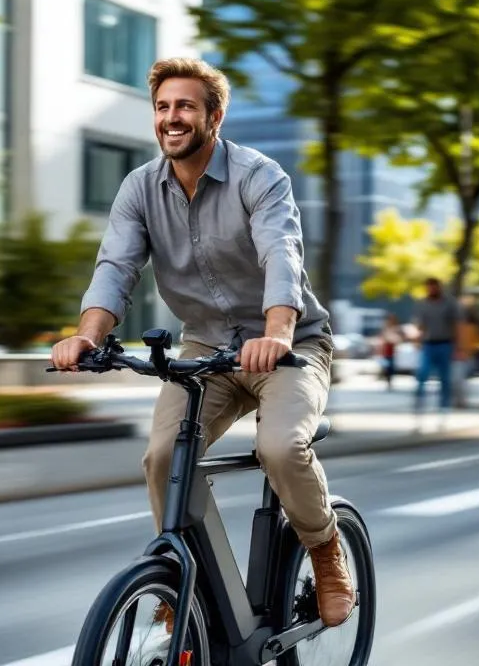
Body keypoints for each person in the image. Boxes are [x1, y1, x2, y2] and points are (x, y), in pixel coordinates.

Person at [50, 57, 353, 628]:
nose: (172, 117)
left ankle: (325, 549)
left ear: (214, 117)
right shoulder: (139, 188)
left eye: (185, 106)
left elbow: (281, 255)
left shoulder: (259, 176)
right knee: (164, 458)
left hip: (289, 348)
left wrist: (277, 333)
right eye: (163, 107)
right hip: (205, 351)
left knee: (280, 449)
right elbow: (116, 266)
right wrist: (88, 336)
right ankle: (188, 582)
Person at [412, 277, 461, 417]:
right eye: (429, 287)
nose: (432, 290)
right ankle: (419, 403)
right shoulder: (422, 304)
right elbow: (419, 325)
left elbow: (457, 325)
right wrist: (417, 340)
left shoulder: (449, 304)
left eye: (434, 287)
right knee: (423, 373)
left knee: (445, 377)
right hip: (428, 344)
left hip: (445, 343)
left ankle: (444, 405)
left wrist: (459, 346)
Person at [451, 308, 479, 409]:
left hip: (467, 358)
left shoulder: (472, 328)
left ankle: (461, 401)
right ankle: (458, 401)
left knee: (459, 380)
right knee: (456, 380)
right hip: (456, 357)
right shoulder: (453, 327)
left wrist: (468, 351)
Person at [377, 313, 404, 391]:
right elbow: (382, 338)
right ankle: (387, 380)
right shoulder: (386, 328)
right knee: (386, 367)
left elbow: (400, 339)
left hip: (393, 350)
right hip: (386, 350)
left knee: (391, 367)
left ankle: (389, 381)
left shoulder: (397, 328)